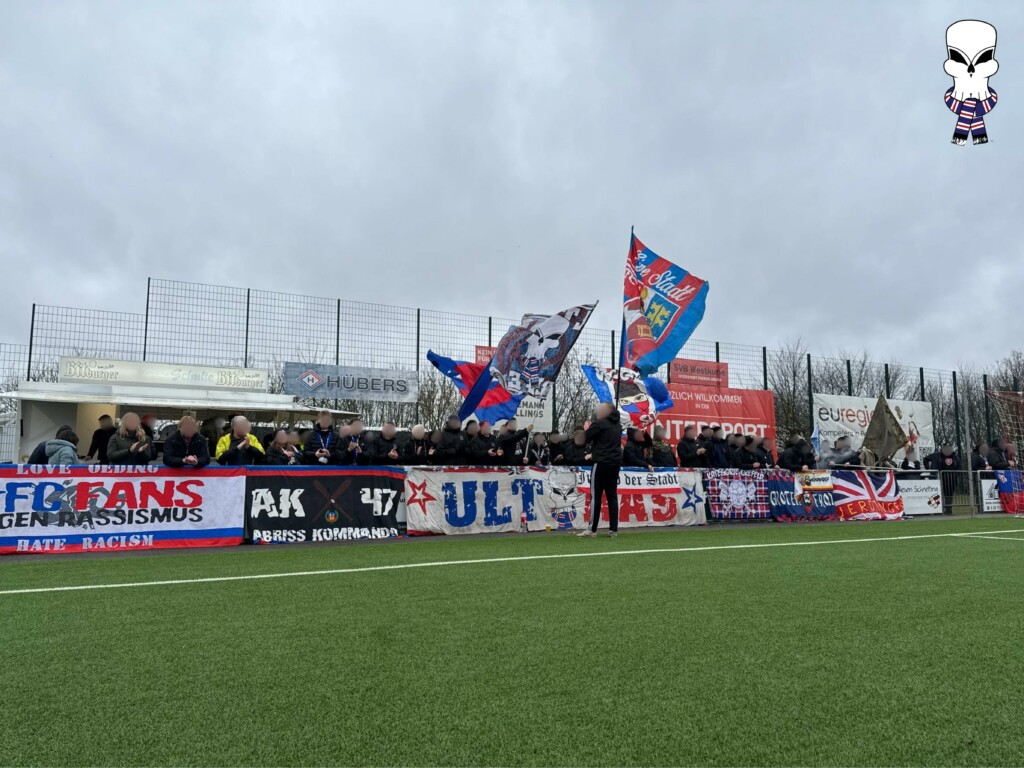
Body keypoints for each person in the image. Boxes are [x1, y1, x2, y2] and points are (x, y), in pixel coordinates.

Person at [577, 403, 623, 538]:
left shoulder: (599, 423)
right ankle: (613, 529)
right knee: (612, 496)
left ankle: (592, 529)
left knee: (595, 496)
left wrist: (588, 429)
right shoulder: (618, 425)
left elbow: (584, 439)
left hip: (601, 462)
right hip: (614, 463)